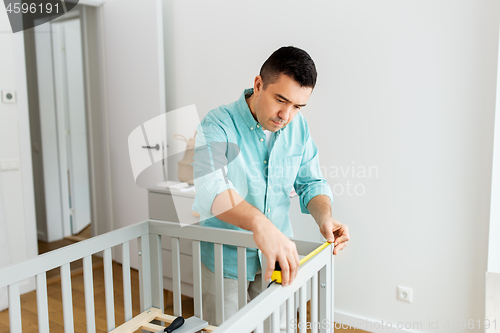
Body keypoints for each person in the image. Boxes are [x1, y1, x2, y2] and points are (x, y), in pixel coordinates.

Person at [192, 46, 349, 327]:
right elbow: (210, 189)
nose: (286, 115)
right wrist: (259, 224)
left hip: (277, 256)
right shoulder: (218, 124)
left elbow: (312, 182)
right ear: (258, 84)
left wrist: (325, 218)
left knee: (277, 326)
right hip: (225, 259)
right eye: (281, 100)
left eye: (297, 107)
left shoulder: (298, 128)